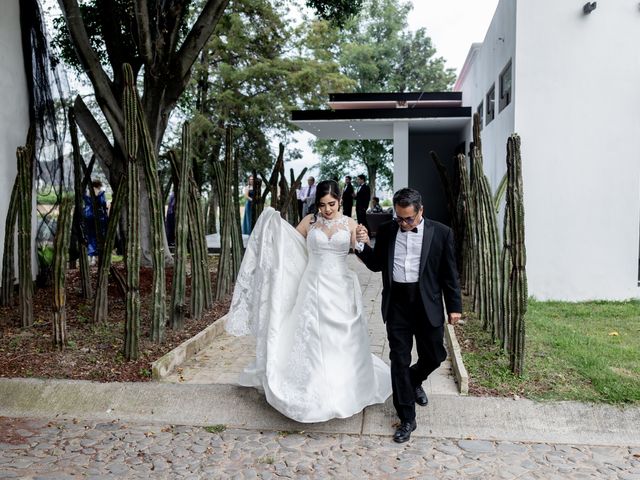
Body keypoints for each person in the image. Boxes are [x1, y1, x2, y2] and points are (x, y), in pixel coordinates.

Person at [226, 180, 391, 423]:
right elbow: (289, 245)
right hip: (311, 286)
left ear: (341, 201)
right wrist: (273, 225)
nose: (327, 210)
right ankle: (311, 386)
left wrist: (362, 239)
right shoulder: (310, 222)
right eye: (322, 205)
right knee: (310, 335)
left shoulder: (351, 224)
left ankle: (343, 386)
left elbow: (365, 255)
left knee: (340, 339)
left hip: (340, 289)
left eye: (332, 204)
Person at [355, 188, 462, 443]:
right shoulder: (389, 230)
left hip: (427, 304)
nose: (403, 224)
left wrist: (454, 307)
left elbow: (450, 274)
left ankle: (412, 381)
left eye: (408, 219)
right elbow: (377, 263)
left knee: (435, 355)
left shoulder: (442, 233)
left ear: (420, 211)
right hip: (397, 305)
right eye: (399, 218)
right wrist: (361, 245)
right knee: (399, 361)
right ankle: (406, 418)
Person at [83, 179, 108, 264]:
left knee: (90, 236)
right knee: (98, 236)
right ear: (99, 186)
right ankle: (96, 257)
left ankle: (91, 257)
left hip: (89, 216)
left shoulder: (87, 193)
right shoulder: (101, 194)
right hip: (99, 217)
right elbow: (102, 203)